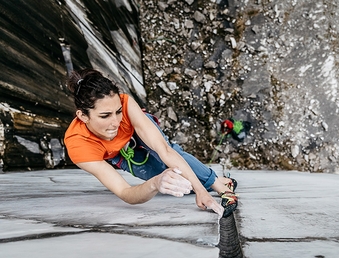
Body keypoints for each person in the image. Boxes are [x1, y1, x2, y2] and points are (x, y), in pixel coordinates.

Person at [64, 68, 238, 217]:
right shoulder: (78, 145)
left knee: (170, 156)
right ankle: (221, 180)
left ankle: (221, 187)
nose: (116, 122)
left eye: (118, 112)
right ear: (82, 116)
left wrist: (201, 191)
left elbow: (165, 151)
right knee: (172, 183)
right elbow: (126, 193)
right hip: (118, 152)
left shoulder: (126, 104)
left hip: (135, 131)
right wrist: (156, 182)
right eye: (105, 116)